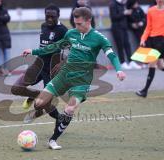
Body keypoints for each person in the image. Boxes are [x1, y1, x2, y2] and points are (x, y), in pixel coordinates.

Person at [21, 7, 126, 150]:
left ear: (89, 21)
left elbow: (112, 55)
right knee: (39, 104)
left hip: (82, 80)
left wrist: (119, 70)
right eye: (75, 24)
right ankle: (37, 109)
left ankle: (53, 140)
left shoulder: (99, 38)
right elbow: (55, 47)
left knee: (70, 109)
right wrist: (33, 51)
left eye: (79, 24)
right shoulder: (71, 33)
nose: (76, 27)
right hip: (64, 75)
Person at [11, 4, 68, 110]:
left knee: (42, 105)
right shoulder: (43, 26)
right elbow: (43, 47)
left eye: (53, 17)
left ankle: (59, 120)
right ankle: (35, 95)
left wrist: (63, 63)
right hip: (38, 65)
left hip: (52, 69)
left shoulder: (64, 31)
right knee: (16, 88)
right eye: (47, 16)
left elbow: (73, 50)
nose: (50, 19)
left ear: (58, 16)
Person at [136, 0, 164, 98]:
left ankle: (145, 91)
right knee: (161, 66)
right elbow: (148, 27)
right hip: (152, 40)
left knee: (152, 63)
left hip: (163, 40)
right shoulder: (151, 11)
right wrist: (143, 39)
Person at [109, 0, 142, 70]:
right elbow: (113, 17)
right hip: (117, 28)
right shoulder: (113, 4)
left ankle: (131, 61)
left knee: (127, 44)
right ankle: (122, 62)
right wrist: (124, 13)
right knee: (120, 45)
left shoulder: (123, 4)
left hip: (124, 27)